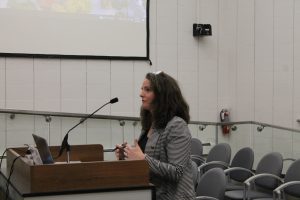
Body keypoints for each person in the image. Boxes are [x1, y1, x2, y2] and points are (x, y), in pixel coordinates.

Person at [115, 71, 196, 200]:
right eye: (142, 89)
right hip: (152, 193)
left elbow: (177, 171)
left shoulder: (177, 125)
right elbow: (147, 159)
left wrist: (142, 158)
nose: (141, 94)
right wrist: (126, 155)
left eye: (147, 90)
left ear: (162, 95)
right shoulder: (150, 124)